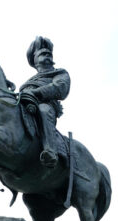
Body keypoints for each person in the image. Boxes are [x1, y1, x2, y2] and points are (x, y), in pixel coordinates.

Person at [20, 36, 71, 168]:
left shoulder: (60, 73)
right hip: (24, 108)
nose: (48, 55)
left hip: (46, 106)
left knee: (44, 110)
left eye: (49, 53)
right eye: (43, 53)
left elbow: (60, 88)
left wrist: (37, 93)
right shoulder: (26, 83)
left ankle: (51, 151)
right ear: (34, 59)